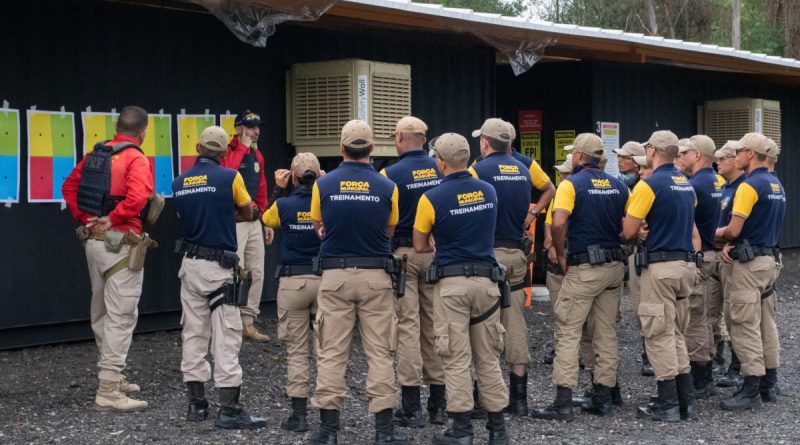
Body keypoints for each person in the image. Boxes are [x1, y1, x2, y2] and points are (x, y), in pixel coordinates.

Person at [309, 120, 406, 445]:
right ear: (372, 148)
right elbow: (389, 229)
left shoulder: (322, 185)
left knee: (331, 352)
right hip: (376, 277)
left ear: (341, 148)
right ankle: (384, 432)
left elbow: (318, 225)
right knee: (380, 353)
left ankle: (328, 432)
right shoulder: (387, 186)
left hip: (334, 277)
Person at [413, 132, 508, 445]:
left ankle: (462, 430)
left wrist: (435, 239)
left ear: (440, 162)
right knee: (488, 359)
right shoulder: (489, 191)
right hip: (487, 284)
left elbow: (419, 244)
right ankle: (498, 431)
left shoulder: (431, 198)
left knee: (455, 358)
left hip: (452, 285)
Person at [172, 126, 266, 429]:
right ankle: (229, 410)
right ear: (225, 152)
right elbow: (249, 211)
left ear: (198, 148)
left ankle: (196, 406)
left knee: (193, 333)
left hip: (190, 265)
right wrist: (227, 214)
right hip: (219, 267)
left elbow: (183, 216)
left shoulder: (179, 182)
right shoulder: (230, 177)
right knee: (227, 334)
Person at [62, 105, 155, 412]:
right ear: (143, 132)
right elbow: (139, 197)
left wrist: (87, 218)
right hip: (121, 245)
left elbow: (68, 186)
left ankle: (113, 375)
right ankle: (109, 390)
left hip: (94, 243)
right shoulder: (135, 158)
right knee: (121, 316)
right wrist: (113, 218)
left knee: (102, 313)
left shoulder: (96, 154)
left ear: (117, 128)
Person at [531, 133, 628, 421]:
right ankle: (603, 397)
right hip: (614, 266)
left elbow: (558, 222)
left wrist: (561, 254)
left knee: (568, 330)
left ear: (578, 156)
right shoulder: (619, 185)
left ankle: (562, 402)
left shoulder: (570, 184)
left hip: (584, 267)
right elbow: (628, 228)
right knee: (606, 333)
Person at [469, 118, 554, 416]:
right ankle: (519, 400)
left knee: (483, 323)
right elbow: (549, 188)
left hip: (488, 254)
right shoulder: (525, 167)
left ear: (485, 142)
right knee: (515, 321)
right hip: (517, 254)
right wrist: (534, 213)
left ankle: (484, 398)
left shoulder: (477, 170)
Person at [622, 130, 700, 422]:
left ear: (652, 151)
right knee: (676, 332)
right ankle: (685, 400)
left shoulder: (648, 185)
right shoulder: (686, 184)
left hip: (660, 267)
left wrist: (638, 228)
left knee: (658, 333)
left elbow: (628, 231)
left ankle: (667, 403)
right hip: (684, 265)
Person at [380, 116, 446, 427]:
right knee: (435, 325)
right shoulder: (442, 168)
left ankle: (411, 407)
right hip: (435, 254)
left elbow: (383, 220)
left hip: (404, 255)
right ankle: (439, 405)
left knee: (407, 326)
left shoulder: (389, 175)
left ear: (399, 139)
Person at [718, 132, 786, 411]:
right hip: (768, 261)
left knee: (744, 324)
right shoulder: (776, 184)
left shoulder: (748, 186)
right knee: (766, 324)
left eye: (739, 151)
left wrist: (717, 234)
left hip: (748, 265)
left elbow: (734, 229)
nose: (736, 156)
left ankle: (751, 389)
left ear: (750, 154)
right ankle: (769, 383)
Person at [262, 153, 323, 433]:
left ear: (293, 177)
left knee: (297, 351)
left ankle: (299, 416)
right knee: (327, 351)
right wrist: (325, 183)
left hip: (292, 282)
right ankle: (327, 414)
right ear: (318, 175)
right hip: (325, 281)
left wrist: (278, 189)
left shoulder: (284, 205)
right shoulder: (327, 201)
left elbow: (266, 218)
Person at [676, 135, 724, 398]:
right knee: (707, 315)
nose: (680, 157)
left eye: (684, 153)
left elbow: (686, 222)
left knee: (695, 317)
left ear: (697, 155)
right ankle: (709, 368)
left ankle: (700, 377)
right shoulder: (718, 181)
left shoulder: (693, 186)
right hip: (714, 254)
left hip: (700, 255)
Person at [220, 110, 270, 342]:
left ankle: (248, 321)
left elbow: (261, 189)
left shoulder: (257, 155)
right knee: (234, 271)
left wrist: (265, 220)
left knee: (256, 271)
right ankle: (230, 321)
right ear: (239, 128)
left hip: (253, 221)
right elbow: (228, 174)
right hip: (235, 222)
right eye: (250, 127)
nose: (256, 132)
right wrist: (242, 147)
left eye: (258, 127)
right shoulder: (228, 151)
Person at [614, 141, 653, 376]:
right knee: (639, 305)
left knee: (649, 306)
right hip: (633, 251)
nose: (620, 161)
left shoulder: (647, 187)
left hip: (648, 252)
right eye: (619, 157)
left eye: (626, 158)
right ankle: (648, 352)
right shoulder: (620, 186)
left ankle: (653, 355)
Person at [713, 141, 746, 388]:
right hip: (724, 254)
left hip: (734, 257)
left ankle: (739, 367)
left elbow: (738, 228)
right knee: (728, 312)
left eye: (723, 158)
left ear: (736, 159)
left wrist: (723, 237)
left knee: (738, 315)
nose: (718, 163)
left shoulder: (743, 188)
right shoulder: (726, 187)